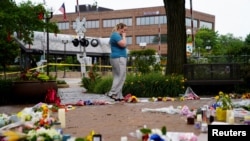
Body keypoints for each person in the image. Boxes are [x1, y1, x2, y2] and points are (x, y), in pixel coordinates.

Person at [105, 23, 128, 101]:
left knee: (118, 76)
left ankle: (118, 96)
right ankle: (112, 93)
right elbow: (123, 44)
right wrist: (124, 37)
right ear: (119, 28)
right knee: (121, 76)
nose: (125, 32)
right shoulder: (116, 35)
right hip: (119, 58)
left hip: (117, 57)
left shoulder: (115, 35)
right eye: (124, 30)